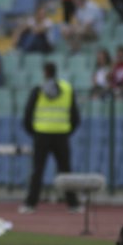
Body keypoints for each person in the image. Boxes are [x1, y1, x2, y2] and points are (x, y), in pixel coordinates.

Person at [19, 62, 81, 214]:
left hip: (41, 135)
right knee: (66, 170)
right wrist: (67, 130)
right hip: (61, 135)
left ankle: (30, 204)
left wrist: (33, 132)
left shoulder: (38, 89)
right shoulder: (67, 89)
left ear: (45, 72)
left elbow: (27, 114)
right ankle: (73, 204)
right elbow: (75, 116)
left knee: (37, 171)